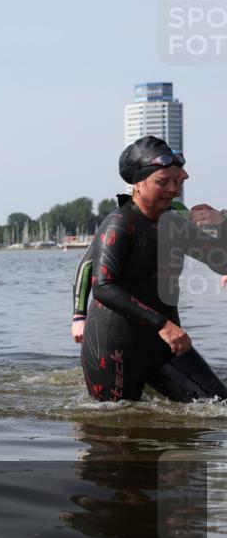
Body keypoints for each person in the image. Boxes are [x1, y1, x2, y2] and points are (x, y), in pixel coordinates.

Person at [79, 136, 227, 403]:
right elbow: (103, 286)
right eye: (163, 182)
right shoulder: (119, 223)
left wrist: (222, 224)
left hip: (166, 341)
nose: (173, 190)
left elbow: (221, 262)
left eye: (178, 181)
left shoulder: (176, 223)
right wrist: (163, 324)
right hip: (115, 346)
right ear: (138, 183)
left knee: (220, 406)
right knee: (118, 430)